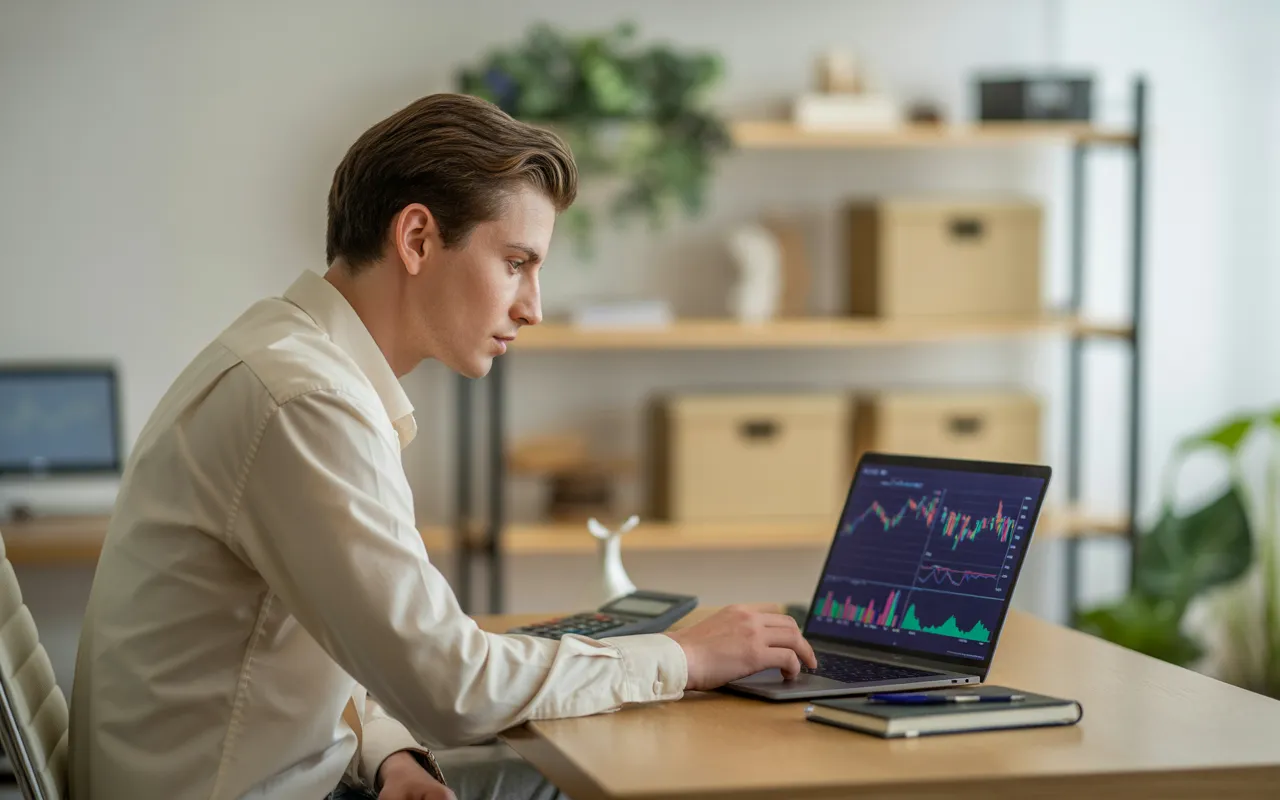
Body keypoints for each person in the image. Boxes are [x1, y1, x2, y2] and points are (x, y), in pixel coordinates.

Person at [67, 92, 816, 800]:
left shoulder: (292, 362)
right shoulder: (306, 402)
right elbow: (453, 688)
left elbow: (325, 639)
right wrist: (685, 658)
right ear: (418, 238)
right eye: (516, 263)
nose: (534, 308)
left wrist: (387, 751)